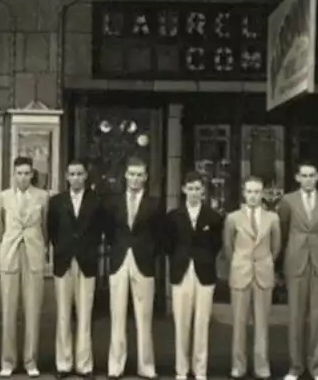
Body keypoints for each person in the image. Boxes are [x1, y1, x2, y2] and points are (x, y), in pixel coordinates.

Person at [104, 157, 163, 380]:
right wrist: (119, 249)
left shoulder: (155, 203)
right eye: (132, 174)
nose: (135, 179)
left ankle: (146, 366)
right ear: (125, 176)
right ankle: (115, 365)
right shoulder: (114, 202)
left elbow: (159, 235)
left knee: (144, 317)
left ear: (145, 177)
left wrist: (148, 252)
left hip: (143, 262)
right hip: (120, 259)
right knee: (117, 314)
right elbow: (110, 232)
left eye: (140, 175)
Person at [277, 161, 318, 380]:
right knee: (295, 315)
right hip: (296, 261)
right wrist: (282, 263)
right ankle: (295, 367)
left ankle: (317, 367)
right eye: (304, 175)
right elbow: (283, 231)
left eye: (312, 175)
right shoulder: (287, 200)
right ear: (297, 178)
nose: (308, 179)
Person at [47, 159, 104, 380]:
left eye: (80, 174)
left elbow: (101, 230)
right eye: (72, 174)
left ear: (86, 176)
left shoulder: (96, 201)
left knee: (85, 313)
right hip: (63, 261)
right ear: (66, 176)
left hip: (87, 261)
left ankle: (84, 364)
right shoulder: (56, 202)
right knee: (63, 313)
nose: (76, 178)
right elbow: (52, 230)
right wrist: (62, 249)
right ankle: (63, 363)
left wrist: (89, 250)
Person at [166, 172, 224, 380]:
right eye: (190, 188)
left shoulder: (214, 217)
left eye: (198, 189)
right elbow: (168, 244)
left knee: (202, 322)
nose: (194, 193)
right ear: (183, 190)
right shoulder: (173, 216)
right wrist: (179, 259)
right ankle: (181, 370)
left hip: (204, 273)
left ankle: (200, 370)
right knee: (181, 323)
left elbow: (217, 244)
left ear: (203, 192)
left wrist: (205, 258)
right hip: (181, 272)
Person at [0, 156, 50, 378]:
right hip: (10, 254)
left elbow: (45, 227)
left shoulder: (43, 196)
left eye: (27, 173)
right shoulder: (3, 197)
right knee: (8, 310)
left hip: (34, 254)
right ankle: (8, 361)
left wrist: (42, 249)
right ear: (13, 174)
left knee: (32, 310)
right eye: (19, 173)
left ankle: (30, 361)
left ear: (32, 174)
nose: (23, 177)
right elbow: (0, 227)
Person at [224, 176, 281, 380]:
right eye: (249, 191)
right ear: (243, 192)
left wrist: (265, 262)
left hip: (263, 273)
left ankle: (261, 366)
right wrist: (240, 262)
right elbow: (228, 247)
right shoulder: (233, 218)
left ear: (262, 193)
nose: (253, 195)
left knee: (262, 324)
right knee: (238, 324)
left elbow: (276, 247)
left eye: (257, 192)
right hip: (241, 272)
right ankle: (238, 366)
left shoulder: (272, 218)